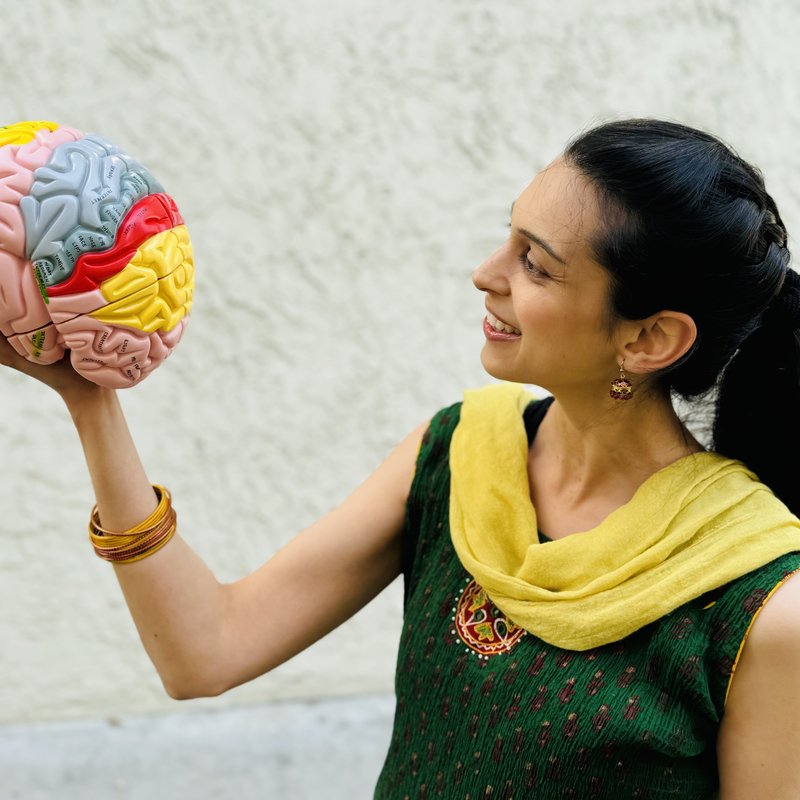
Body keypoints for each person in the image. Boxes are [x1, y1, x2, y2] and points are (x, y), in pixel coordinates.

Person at [2, 117, 800, 799]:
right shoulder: (459, 456)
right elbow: (205, 652)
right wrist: (89, 400)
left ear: (650, 338)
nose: (486, 274)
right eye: (508, 237)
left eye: (536, 264)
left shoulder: (758, 599)